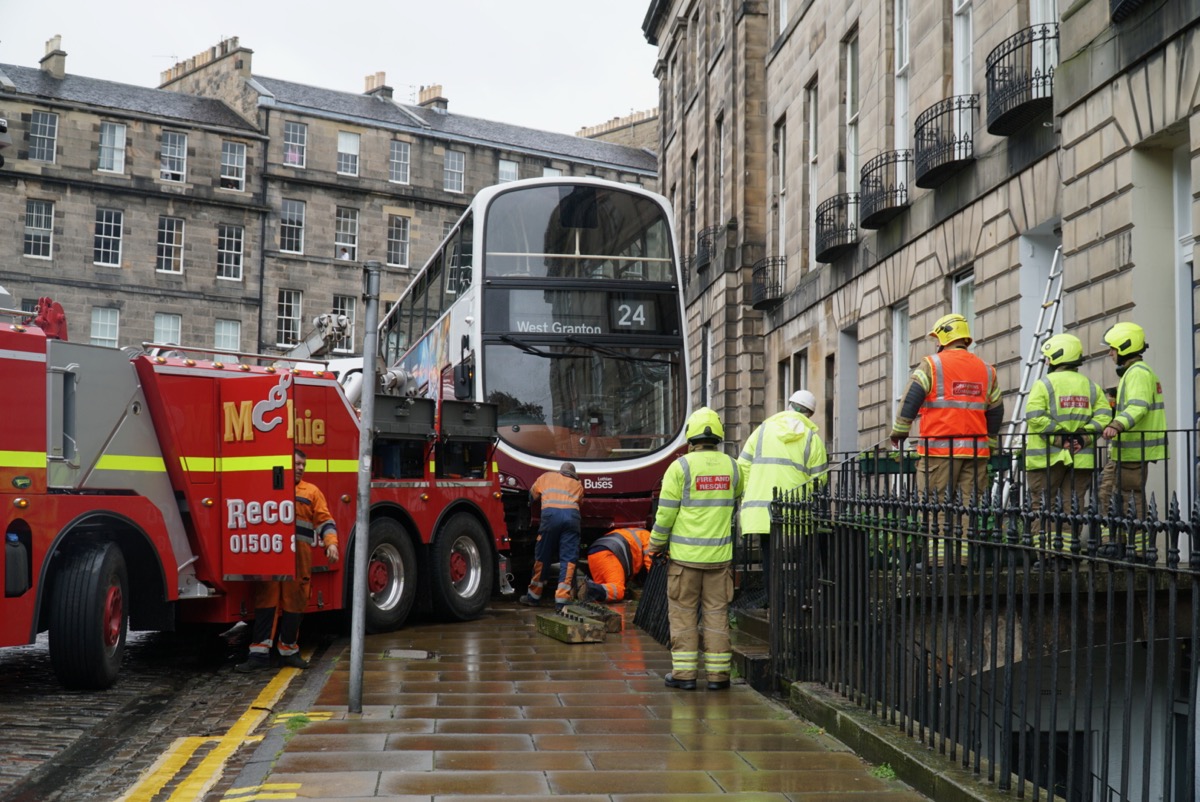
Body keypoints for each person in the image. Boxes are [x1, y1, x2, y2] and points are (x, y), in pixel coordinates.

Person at [890, 313, 1003, 570]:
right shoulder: (987, 370)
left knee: (935, 504)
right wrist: (991, 444)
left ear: (942, 337)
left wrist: (899, 431)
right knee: (968, 507)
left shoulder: (932, 364)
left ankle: (938, 561)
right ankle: (962, 560)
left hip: (939, 451)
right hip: (976, 453)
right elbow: (996, 410)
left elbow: (911, 398)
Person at [647, 407, 745, 691]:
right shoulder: (733, 466)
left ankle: (685, 676)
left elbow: (665, 515)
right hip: (719, 559)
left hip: (685, 561)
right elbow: (736, 498)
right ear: (718, 436)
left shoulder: (681, 467)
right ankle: (718, 677)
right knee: (716, 616)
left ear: (691, 436)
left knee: (683, 615)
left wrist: (655, 546)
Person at [236, 448, 339, 672]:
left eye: (304, 464)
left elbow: (324, 521)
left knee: (296, 603)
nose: (301, 468)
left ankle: (288, 651)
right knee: (266, 602)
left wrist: (331, 543)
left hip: (298, 560)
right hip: (271, 556)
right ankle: (259, 655)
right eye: (297, 464)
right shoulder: (269, 487)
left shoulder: (311, 492)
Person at [1023, 333, 1112, 554]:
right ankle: (1068, 552)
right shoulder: (1090, 386)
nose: (1046, 362)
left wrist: (1059, 438)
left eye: (1047, 358)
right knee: (1072, 506)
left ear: (1054, 357)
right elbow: (1104, 416)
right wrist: (1084, 437)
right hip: (1080, 458)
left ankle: (1047, 554)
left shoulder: (1043, 385)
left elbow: (1034, 416)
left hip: (1046, 458)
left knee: (1043, 505)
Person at [737, 389, 828, 597]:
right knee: (805, 549)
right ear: (809, 414)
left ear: (789, 405)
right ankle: (803, 594)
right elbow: (820, 479)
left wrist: (748, 494)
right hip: (796, 507)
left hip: (761, 507)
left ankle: (773, 598)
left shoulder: (761, 431)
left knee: (770, 554)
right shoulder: (811, 439)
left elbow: (742, 466)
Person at [1097, 322, 1167, 561]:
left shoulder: (1138, 373)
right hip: (1124, 451)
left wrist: (1116, 424)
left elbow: (1138, 406)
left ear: (1125, 348)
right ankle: (1113, 542)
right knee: (1107, 492)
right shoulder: (1134, 373)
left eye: (1113, 348)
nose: (1110, 353)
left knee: (1131, 497)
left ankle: (1138, 550)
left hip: (1133, 451)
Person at [518, 462, 584, 612]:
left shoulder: (546, 477)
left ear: (560, 471)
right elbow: (581, 502)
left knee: (543, 556)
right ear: (573, 475)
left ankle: (534, 596)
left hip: (550, 518)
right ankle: (562, 600)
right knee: (568, 560)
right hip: (572, 520)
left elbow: (532, 495)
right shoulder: (577, 484)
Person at [576, 527, 652, 603]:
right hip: (610, 552)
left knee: (604, 590)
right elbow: (652, 567)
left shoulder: (639, 533)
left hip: (594, 553)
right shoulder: (650, 538)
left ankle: (577, 588)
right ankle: (589, 589)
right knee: (618, 591)